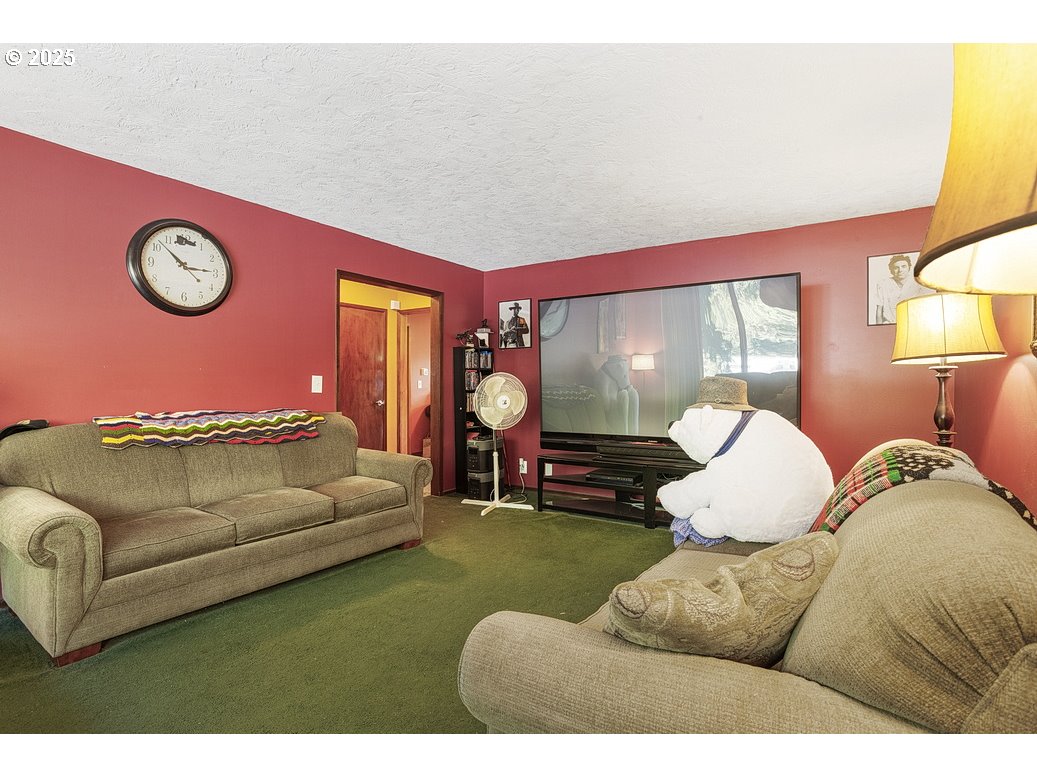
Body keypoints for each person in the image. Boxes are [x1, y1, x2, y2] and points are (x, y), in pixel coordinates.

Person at [874, 254, 928, 324]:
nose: (900, 270)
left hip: (912, 324)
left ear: (909, 268)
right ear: (891, 270)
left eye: (903, 266)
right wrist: (879, 328)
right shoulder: (883, 284)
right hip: (888, 324)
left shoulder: (918, 283)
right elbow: (879, 310)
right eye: (896, 267)